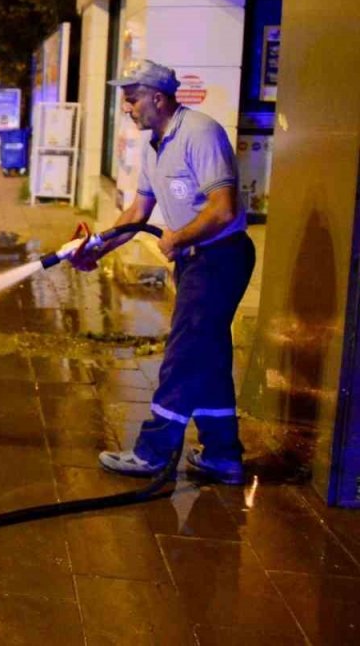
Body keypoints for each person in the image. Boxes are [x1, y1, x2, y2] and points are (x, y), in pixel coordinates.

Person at [70, 60, 254, 484]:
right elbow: (138, 212)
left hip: (219, 258)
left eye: (132, 99)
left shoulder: (200, 132)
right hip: (196, 261)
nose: (127, 108)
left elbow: (223, 209)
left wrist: (178, 238)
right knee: (208, 357)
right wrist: (96, 248)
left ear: (158, 97)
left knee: (184, 355)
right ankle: (223, 455)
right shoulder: (155, 146)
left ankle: (152, 452)